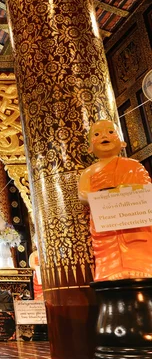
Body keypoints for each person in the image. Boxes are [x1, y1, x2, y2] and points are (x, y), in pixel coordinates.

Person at [78, 120, 152, 281]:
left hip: (133, 218)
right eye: (97, 134)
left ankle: (142, 265)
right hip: (105, 222)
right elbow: (82, 194)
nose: (104, 136)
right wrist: (103, 197)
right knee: (106, 244)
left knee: (138, 239)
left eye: (111, 132)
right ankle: (109, 270)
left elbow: (146, 190)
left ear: (122, 141)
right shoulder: (89, 172)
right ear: (90, 147)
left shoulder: (134, 166)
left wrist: (122, 194)